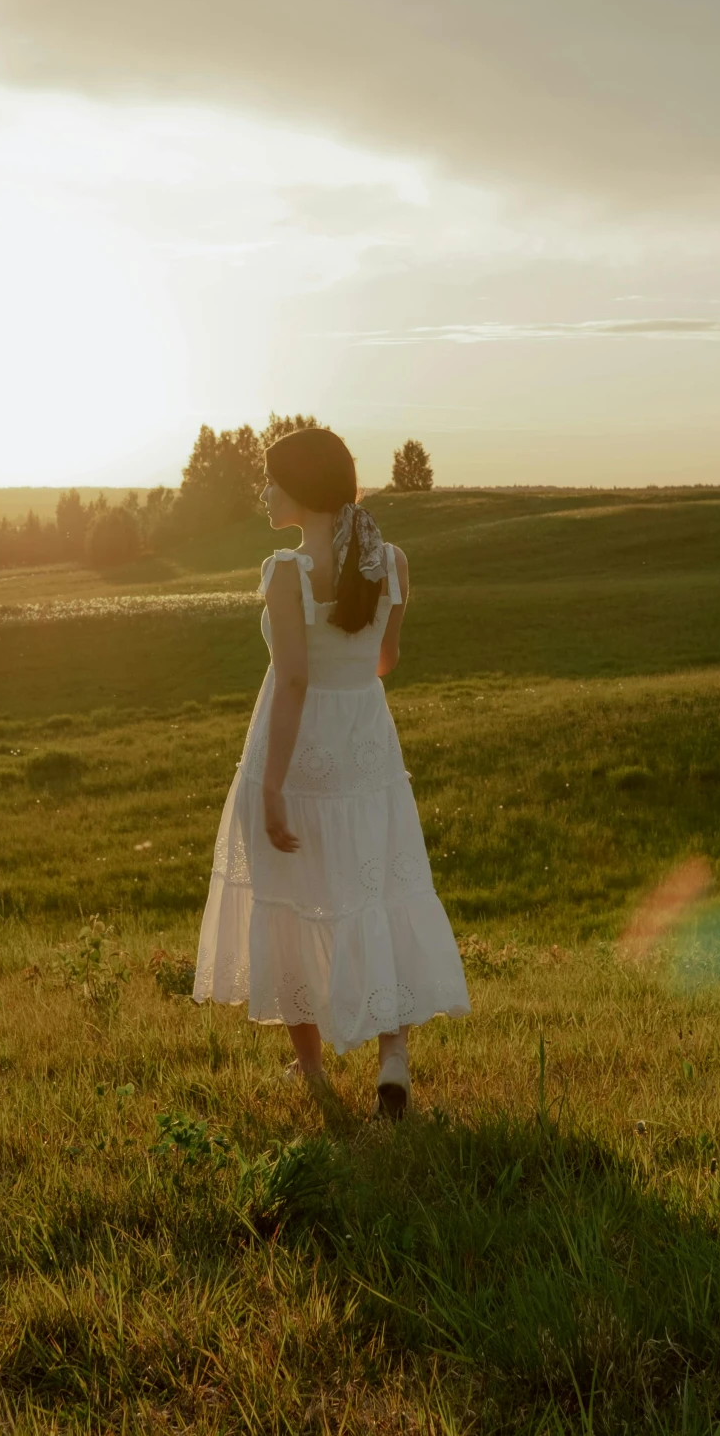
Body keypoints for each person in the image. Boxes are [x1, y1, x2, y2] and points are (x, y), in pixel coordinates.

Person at [192, 427, 470, 1118]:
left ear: (303, 489)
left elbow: (290, 681)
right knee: (375, 890)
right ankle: (394, 1057)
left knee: (291, 893)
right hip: (367, 749)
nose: (263, 491)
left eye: (272, 480)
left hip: (297, 749)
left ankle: (312, 1067)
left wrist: (274, 785)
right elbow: (385, 660)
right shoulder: (394, 561)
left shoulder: (286, 571)